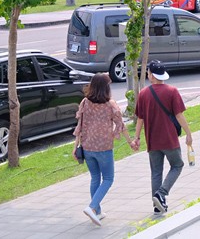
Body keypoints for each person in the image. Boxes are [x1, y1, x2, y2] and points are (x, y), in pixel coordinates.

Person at [130, 60, 193, 215]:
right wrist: (188, 133)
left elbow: (140, 119)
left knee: (156, 172)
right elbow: (179, 115)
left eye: (148, 73)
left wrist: (137, 138)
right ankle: (162, 194)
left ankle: (157, 206)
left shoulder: (144, 93)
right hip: (169, 139)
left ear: (151, 75)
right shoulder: (172, 91)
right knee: (177, 165)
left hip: (152, 140)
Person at [74, 73, 127, 226]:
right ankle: (91, 207)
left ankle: (97, 211)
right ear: (106, 87)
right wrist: (122, 138)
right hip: (103, 148)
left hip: (87, 147)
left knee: (95, 178)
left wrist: (75, 146)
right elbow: (120, 125)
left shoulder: (85, 102)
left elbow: (80, 126)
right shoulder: (110, 104)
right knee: (108, 179)